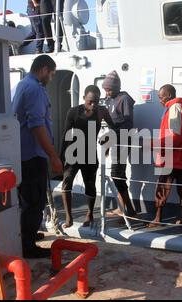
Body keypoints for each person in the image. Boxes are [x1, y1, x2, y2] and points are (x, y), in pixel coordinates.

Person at [12, 55, 63, 259]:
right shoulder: (34, 89)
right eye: (51, 74)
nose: (51, 78)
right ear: (43, 70)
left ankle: (27, 235)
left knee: (27, 200)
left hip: (23, 154)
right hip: (33, 156)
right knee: (34, 201)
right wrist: (54, 156)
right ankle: (27, 246)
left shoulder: (23, 84)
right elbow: (37, 126)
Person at [60, 85, 114, 228]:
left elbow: (113, 128)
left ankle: (89, 214)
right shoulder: (73, 112)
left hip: (90, 153)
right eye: (90, 101)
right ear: (84, 98)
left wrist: (108, 142)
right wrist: (60, 156)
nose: (93, 104)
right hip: (73, 151)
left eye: (96, 101)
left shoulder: (102, 111)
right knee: (67, 182)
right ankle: (68, 216)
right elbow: (66, 134)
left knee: (90, 184)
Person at [148, 85, 182, 227]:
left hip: (171, 156)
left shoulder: (174, 107)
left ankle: (158, 218)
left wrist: (155, 145)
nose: (159, 100)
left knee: (162, 187)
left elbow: (176, 135)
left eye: (161, 96)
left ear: (168, 95)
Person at [102, 70, 137, 218]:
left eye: (109, 89)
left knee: (117, 174)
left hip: (123, 140)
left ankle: (129, 211)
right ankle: (123, 208)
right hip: (115, 141)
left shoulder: (124, 99)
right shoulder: (110, 100)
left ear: (116, 88)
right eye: (105, 89)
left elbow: (127, 123)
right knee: (118, 174)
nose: (107, 92)